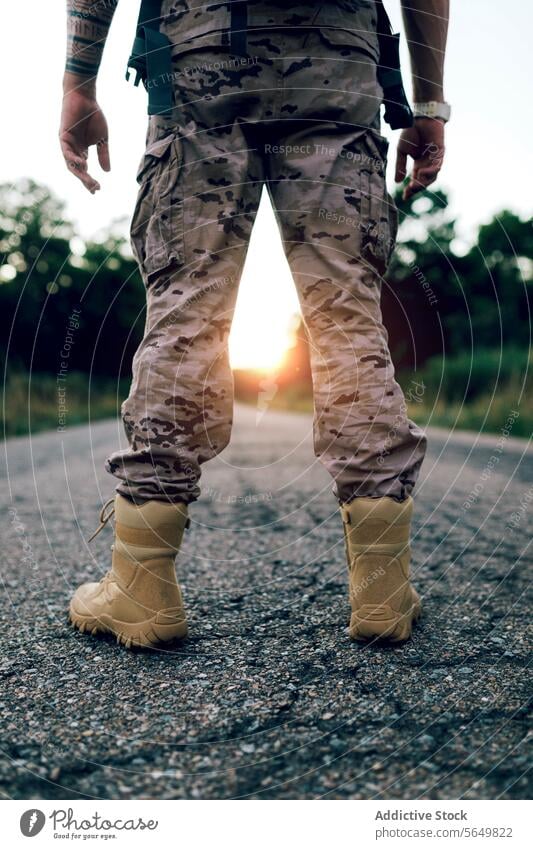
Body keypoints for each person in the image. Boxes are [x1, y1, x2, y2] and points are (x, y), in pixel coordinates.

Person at [60, 0, 449, 648]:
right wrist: (429, 106)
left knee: (187, 305)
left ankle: (141, 584)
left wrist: (78, 81)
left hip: (203, 57)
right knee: (347, 315)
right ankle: (382, 585)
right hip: (337, 65)